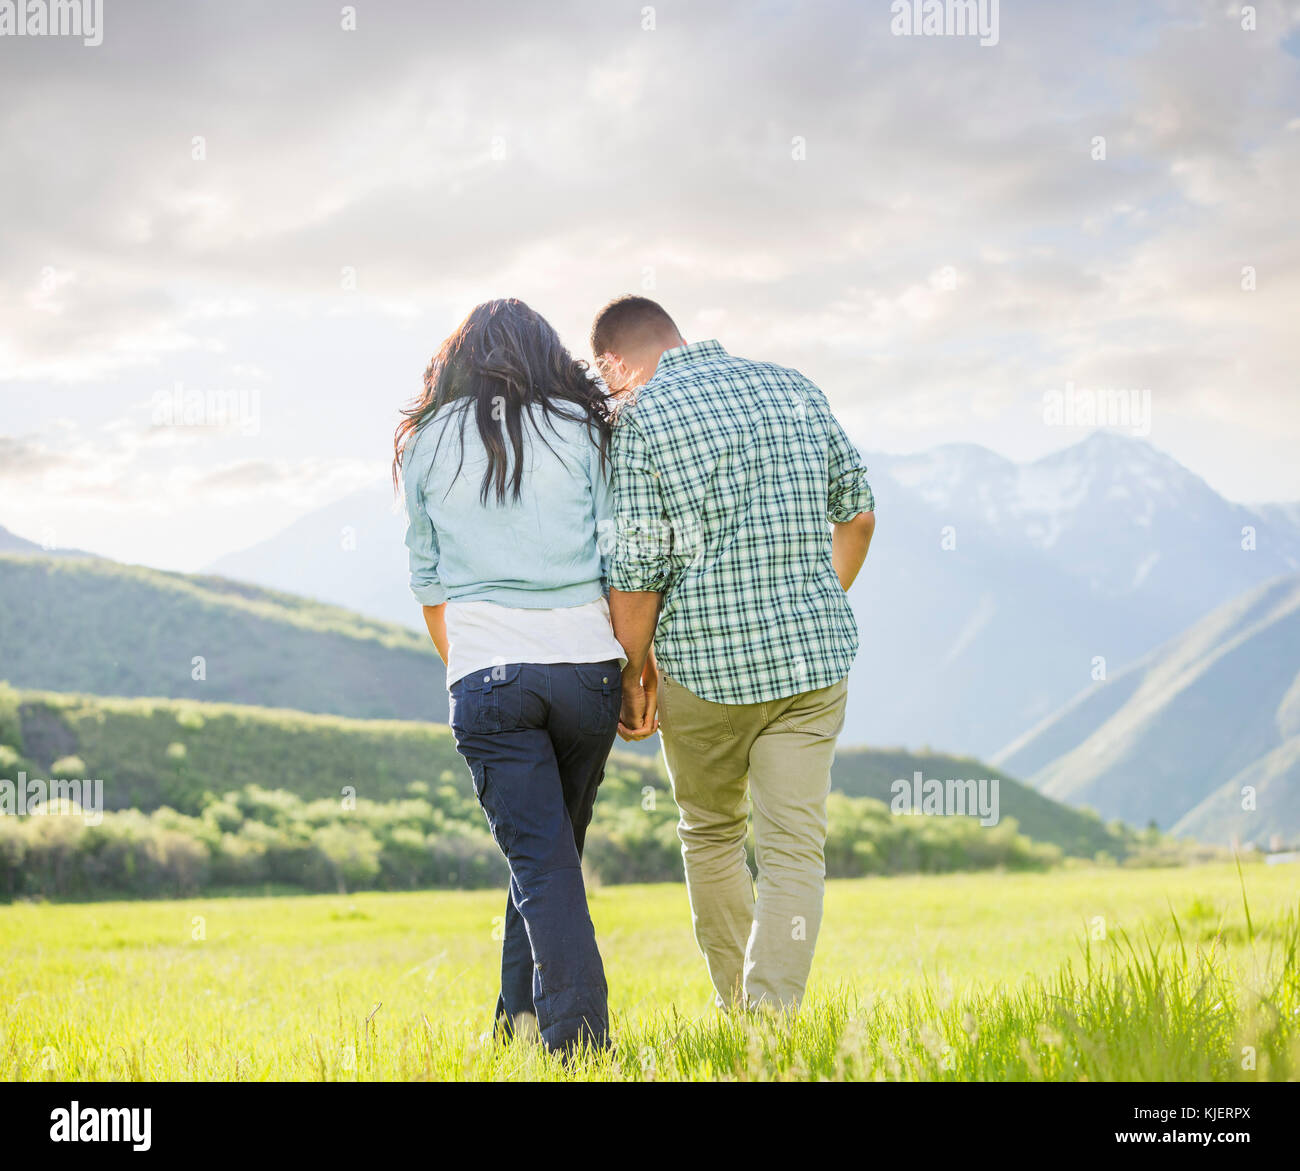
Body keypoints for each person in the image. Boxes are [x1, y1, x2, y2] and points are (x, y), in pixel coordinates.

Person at [593, 294, 876, 1012]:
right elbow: (860, 515)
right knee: (793, 850)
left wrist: (634, 673)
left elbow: (635, 573)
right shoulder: (794, 388)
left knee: (714, 832)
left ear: (614, 363)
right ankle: (771, 1021)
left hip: (703, 673)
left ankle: (739, 1015)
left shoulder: (643, 419)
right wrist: (818, 594)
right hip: (811, 666)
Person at [395, 298, 625, 1054]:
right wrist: (634, 662)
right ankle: (516, 1027)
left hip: (491, 674)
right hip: (589, 672)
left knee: (542, 859)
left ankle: (579, 1046)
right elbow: (616, 555)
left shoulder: (428, 440)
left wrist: (471, 666)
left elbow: (428, 583)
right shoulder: (583, 427)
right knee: (548, 855)